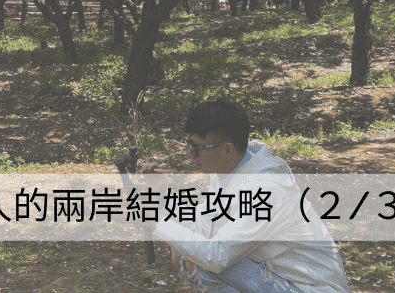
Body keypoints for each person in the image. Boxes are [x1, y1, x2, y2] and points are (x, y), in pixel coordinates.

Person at [141, 101, 350, 293]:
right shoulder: (227, 172)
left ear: (227, 150)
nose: (188, 153)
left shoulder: (266, 190)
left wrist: (158, 222)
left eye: (195, 148)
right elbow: (204, 228)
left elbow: (216, 257)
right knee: (184, 254)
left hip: (309, 288)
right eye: (187, 144)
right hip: (280, 278)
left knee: (202, 263)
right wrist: (161, 200)